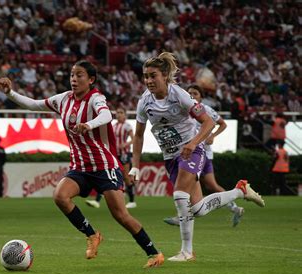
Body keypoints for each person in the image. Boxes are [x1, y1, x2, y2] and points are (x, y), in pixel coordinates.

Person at [0, 60, 164, 268]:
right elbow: (34, 104)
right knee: (60, 196)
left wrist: (88, 124)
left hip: (104, 166)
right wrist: (10, 93)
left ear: (91, 79)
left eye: (79, 75)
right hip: (80, 167)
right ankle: (92, 235)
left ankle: (154, 253)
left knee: (121, 215)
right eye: (72, 75)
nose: (74, 79)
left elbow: (106, 115)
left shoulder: (96, 98)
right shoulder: (63, 99)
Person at [129, 52, 265, 262]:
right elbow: (138, 135)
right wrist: (135, 166)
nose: (148, 80)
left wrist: (193, 143)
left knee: (179, 196)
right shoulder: (144, 102)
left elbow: (209, 122)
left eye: (152, 75)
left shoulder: (180, 95)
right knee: (198, 209)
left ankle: (187, 251)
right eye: (145, 76)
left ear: (164, 75)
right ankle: (240, 191)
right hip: (171, 157)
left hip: (192, 150)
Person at [163, 84, 245, 227]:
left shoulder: (205, 110)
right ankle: (235, 207)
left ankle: (182, 215)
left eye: (195, 93)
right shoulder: (184, 109)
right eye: (190, 93)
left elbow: (222, 124)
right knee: (210, 185)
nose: (192, 96)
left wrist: (213, 135)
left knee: (191, 182)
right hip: (190, 152)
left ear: (201, 96)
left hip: (201, 153)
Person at [86, 106, 137, 209]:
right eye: (117, 112)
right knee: (107, 175)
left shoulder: (127, 126)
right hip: (113, 155)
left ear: (125, 115)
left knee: (126, 177)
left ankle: (132, 201)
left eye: (121, 112)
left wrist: (126, 144)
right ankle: (97, 201)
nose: (119, 114)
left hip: (124, 154)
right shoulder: (113, 126)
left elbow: (134, 139)